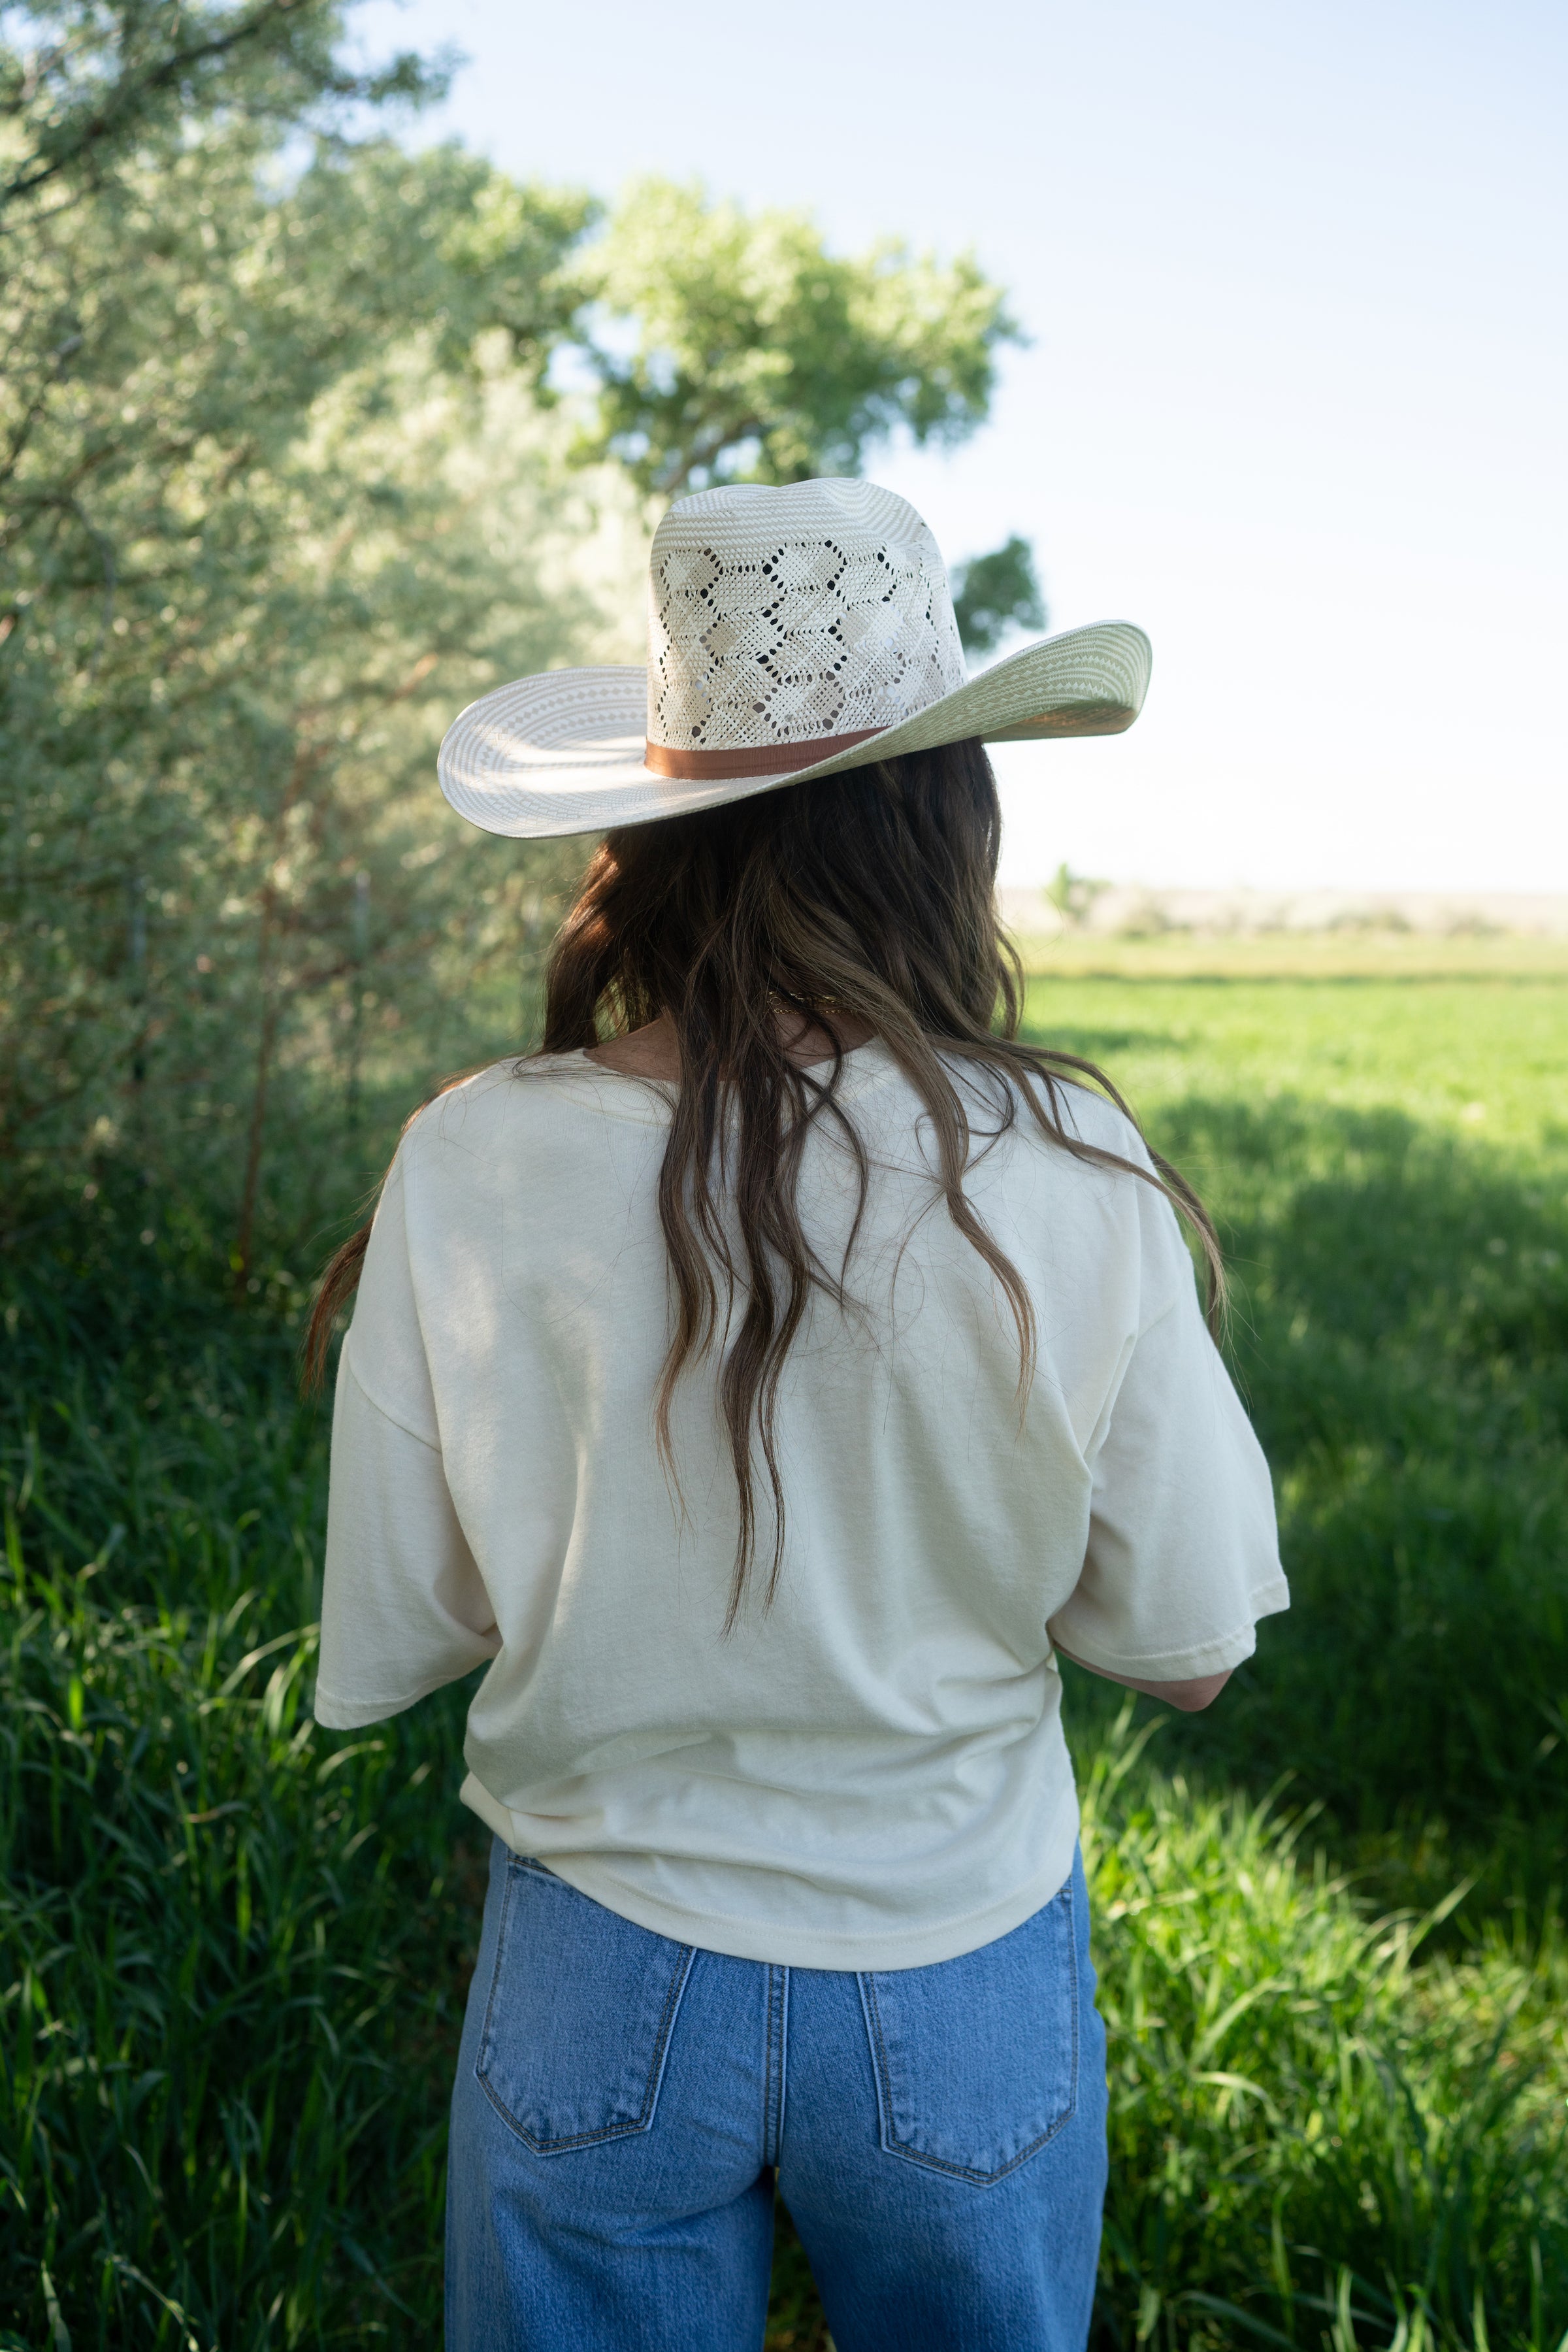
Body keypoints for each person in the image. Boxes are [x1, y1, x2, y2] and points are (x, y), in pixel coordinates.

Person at [309, 479, 1287, 2351]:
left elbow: (415, 1623)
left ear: (656, 838)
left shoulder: (474, 1154)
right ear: (945, 825)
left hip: (594, 1967)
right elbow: (1189, 1654)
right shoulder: (1072, 1167)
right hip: (957, 1975)